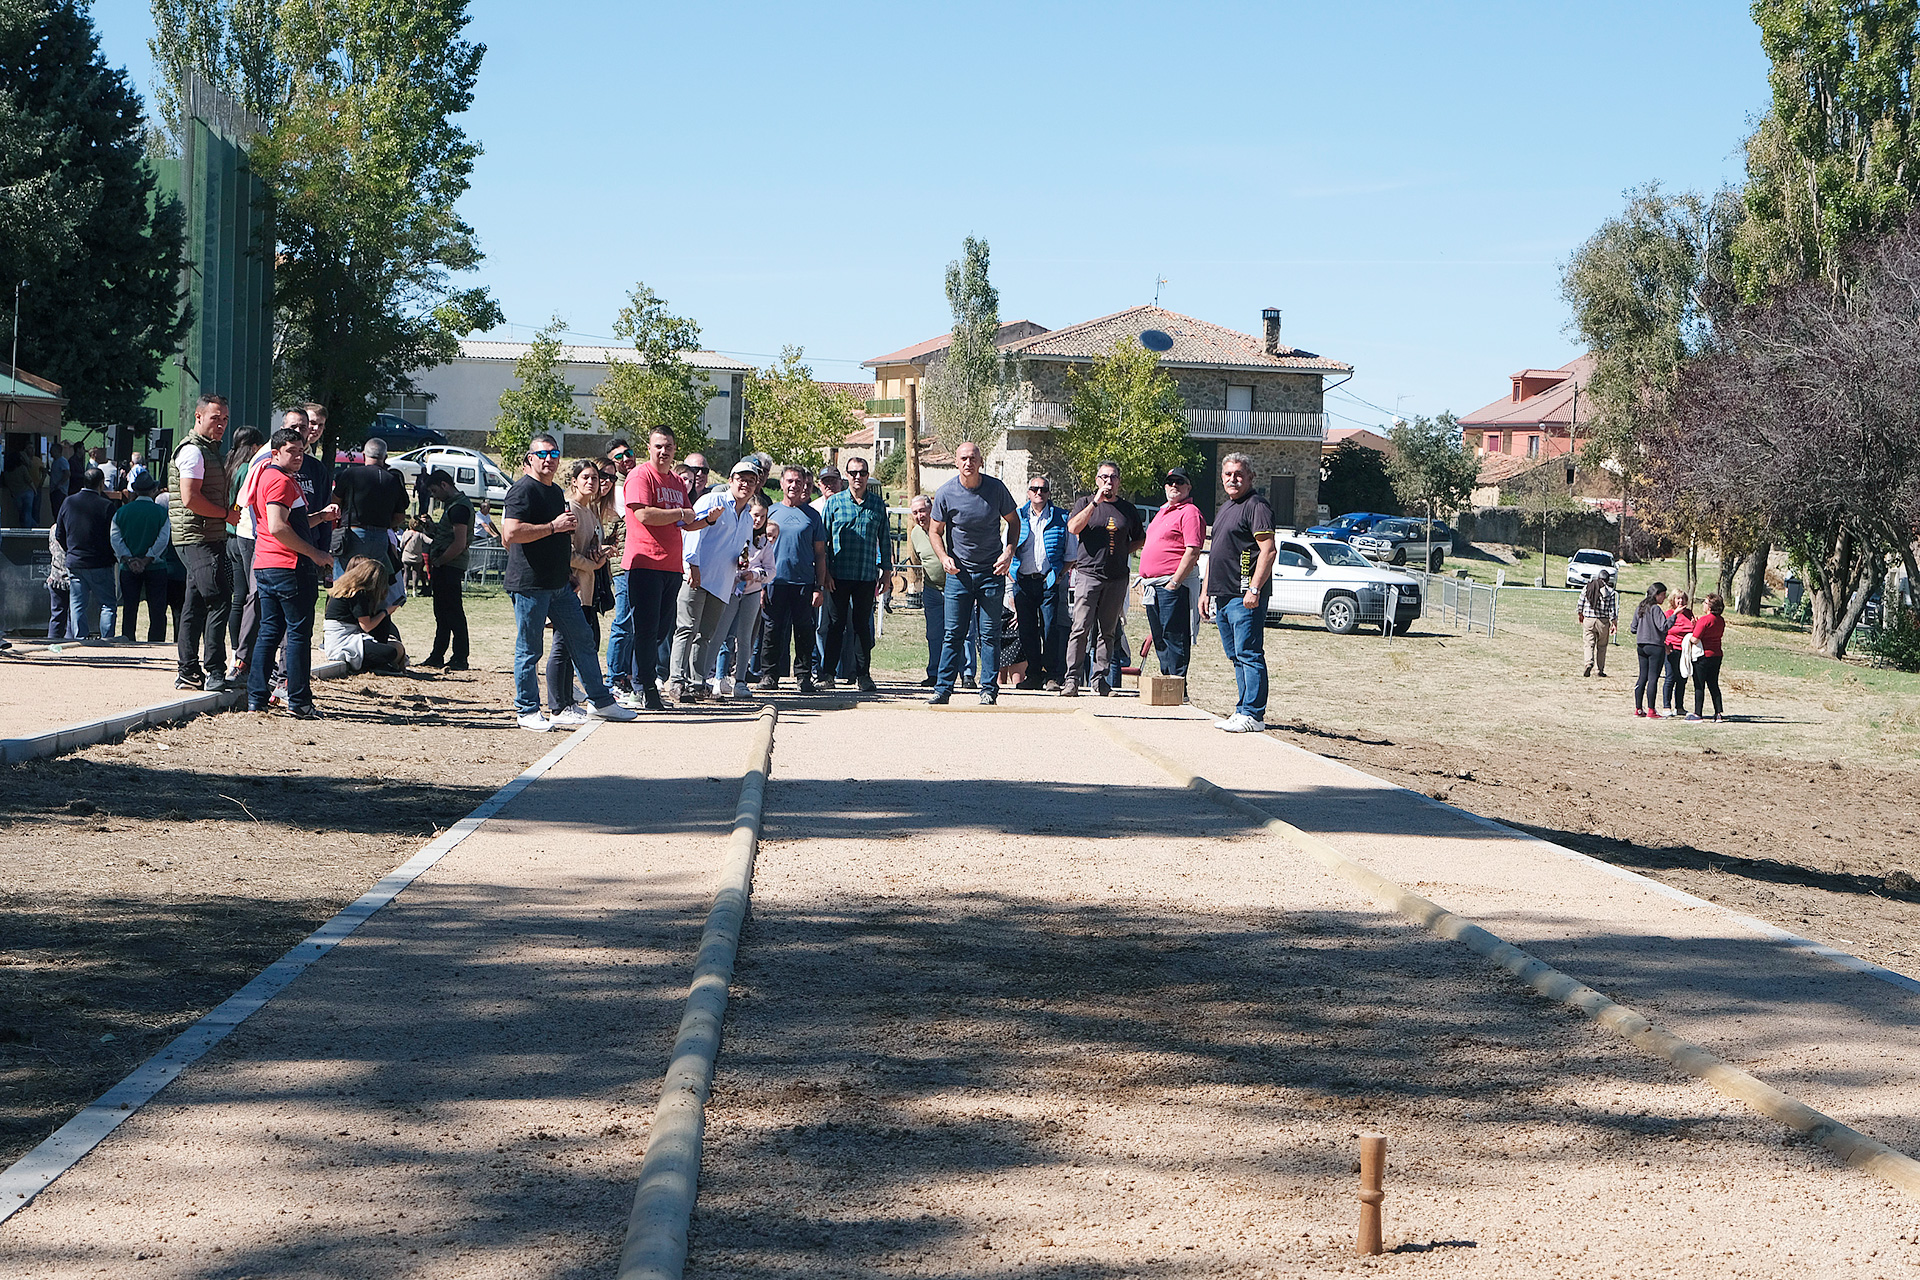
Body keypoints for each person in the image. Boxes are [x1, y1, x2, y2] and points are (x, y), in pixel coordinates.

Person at [504, 433, 636, 730]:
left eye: (554, 453)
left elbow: (562, 541)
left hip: (559, 583)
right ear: (530, 459)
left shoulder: (554, 493)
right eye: (542, 454)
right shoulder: (522, 490)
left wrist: (568, 573)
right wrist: (553, 526)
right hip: (529, 584)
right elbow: (510, 534)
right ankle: (527, 710)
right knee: (530, 649)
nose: (549, 459)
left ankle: (601, 702)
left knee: (583, 639)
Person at [246, 426, 333, 718]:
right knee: (297, 634)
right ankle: (299, 701)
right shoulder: (280, 480)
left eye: (301, 451)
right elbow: (278, 526)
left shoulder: (266, 475)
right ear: (275, 453)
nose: (298, 457)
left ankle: (256, 698)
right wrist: (315, 553)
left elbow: (290, 523)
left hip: (266, 564)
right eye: (291, 451)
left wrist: (321, 517)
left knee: (269, 631)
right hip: (288, 566)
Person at [623, 427, 710, 710]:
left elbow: (685, 521)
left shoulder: (675, 481)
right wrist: (681, 513)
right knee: (646, 630)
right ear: (649, 447)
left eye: (668, 446)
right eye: (659, 446)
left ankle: (645, 683)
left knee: (661, 631)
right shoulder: (640, 476)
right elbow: (644, 514)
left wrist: (707, 520)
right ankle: (644, 688)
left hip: (671, 566)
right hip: (645, 563)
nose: (664, 451)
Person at [928, 441, 1020, 706]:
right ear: (956, 462)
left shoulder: (996, 489)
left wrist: (1009, 552)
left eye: (973, 458)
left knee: (990, 635)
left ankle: (988, 690)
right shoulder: (946, 493)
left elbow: (1014, 522)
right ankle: (943, 689)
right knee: (953, 634)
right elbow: (935, 531)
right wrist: (943, 557)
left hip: (992, 573)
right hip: (959, 574)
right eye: (963, 458)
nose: (968, 463)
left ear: (981, 462)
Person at [670, 458, 758, 702]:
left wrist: (741, 561)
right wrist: (692, 565)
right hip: (696, 576)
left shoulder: (748, 517)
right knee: (686, 628)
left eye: (751, 481)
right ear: (730, 480)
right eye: (741, 479)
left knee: (706, 634)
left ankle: (697, 683)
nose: (745, 484)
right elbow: (692, 532)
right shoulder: (713, 500)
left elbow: (741, 548)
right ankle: (676, 680)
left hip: (722, 582)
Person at [170, 393, 241, 690]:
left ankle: (189, 671)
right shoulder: (193, 452)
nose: (221, 424)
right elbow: (190, 499)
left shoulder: (208, 450)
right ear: (198, 417)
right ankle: (214, 670)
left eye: (225, 419)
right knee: (219, 599)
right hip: (197, 537)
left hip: (203, 536)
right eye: (215, 418)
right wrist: (226, 515)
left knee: (196, 602)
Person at [1202, 452, 1276, 732]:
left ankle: (1254, 715)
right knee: (1236, 655)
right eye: (1228, 474)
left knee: (1249, 653)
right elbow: (1215, 552)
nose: (1233, 479)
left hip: (1244, 595)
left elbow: (1268, 551)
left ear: (1250, 477)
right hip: (1222, 594)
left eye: (1239, 474)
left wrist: (1254, 589)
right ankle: (1242, 709)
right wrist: (1206, 591)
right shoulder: (1226, 507)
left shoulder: (1256, 506)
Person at [1063, 460, 1145, 697]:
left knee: (1107, 632)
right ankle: (1072, 680)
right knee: (1080, 628)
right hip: (1088, 575)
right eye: (1104, 477)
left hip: (1116, 578)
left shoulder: (1127, 509)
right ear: (1097, 480)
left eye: (1113, 477)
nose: (1109, 482)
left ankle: (1100, 680)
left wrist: (1122, 551)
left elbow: (1140, 538)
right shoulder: (1084, 503)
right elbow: (1073, 528)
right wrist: (1094, 503)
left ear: (1119, 481)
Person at [546, 460, 615, 717]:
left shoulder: (591, 511)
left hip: (589, 590)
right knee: (562, 647)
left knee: (579, 646)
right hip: (570, 587)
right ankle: (559, 705)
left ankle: (569, 701)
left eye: (595, 478)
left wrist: (603, 551)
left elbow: (589, 547)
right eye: (585, 477)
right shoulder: (569, 509)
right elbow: (567, 552)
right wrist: (592, 564)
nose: (591, 482)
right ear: (574, 481)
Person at [820, 455, 891, 693]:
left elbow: (885, 540)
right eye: (852, 473)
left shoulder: (877, 505)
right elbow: (823, 542)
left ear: (868, 475)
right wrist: (825, 572)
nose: (857, 477)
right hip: (838, 575)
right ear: (846, 476)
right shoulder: (834, 503)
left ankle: (864, 675)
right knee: (835, 625)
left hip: (866, 575)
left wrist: (887, 572)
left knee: (862, 627)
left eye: (862, 473)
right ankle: (828, 674)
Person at [757, 465, 827, 694]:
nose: (794, 485)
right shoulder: (771, 512)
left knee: (804, 631)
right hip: (774, 582)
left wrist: (819, 587)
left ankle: (803, 676)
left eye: (798, 481)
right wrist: (761, 585)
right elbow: (759, 549)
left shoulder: (812, 516)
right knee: (772, 630)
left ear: (804, 484)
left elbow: (820, 554)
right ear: (781, 483)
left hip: (803, 583)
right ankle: (769, 675)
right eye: (789, 481)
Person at [1139, 466, 1205, 681]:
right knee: (1160, 639)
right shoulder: (1162, 512)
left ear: (1188, 487)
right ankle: (1167, 685)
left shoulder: (1190, 512)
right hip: (1154, 586)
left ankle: (1177, 688)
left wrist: (1175, 583)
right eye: (1170, 482)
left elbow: (1192, 550)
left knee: (1174, 638)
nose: (1174, 485)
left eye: (1180, 482)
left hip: (1172, 585)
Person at [709, 490, 775, 698]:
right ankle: (715, 677)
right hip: (729, 590)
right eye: (755, 515)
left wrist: (755, 574)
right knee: (721, 634)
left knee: (745, 637)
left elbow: (771, 571)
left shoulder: (763, 542)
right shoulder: (736, 534)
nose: (758, 520)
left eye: (762, 516)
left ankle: (740, 680)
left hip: (751, 592)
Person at [1008, 474, 1071, 690]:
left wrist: (1059, 576)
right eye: (1034, 489)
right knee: (1027, 631)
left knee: (1050, 628)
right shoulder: (1017, 516)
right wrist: (1012, 575)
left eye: (1043, 489)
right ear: (1028, 493)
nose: (1039, 493)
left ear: (1049, 493)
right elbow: (1005, 549)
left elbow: (1071, 554)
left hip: (1048, 582)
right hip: (1023, 582)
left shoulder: (1062, 517)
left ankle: (1052, 676)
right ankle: (1033, 675)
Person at [54, 467, 118, 641]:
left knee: (77, 605)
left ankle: (80, 640)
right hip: (100, 562)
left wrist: (71, 550)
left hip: (75, 561)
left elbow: (59, 534)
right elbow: (114, 536)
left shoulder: (68, 502)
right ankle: (106, 640)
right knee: (107, 604)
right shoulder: (106, 505)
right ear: (101, 483)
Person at [221, 425, 265, 668]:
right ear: (255, 446)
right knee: (250, 595)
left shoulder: (229, 464)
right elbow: (244, 502)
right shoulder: (248, 468)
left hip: (229, 536)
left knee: (238, 595)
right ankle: (244, 650)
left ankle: (235, 649)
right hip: (244, 534)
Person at [331, 436, 408, 576]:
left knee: (344, 581)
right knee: (372, 582)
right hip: (380, 536)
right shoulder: (393, 480)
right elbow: (400, 516)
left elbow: (334, 501)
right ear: (385, 457)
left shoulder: (350, 474)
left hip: (353, 534)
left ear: (363, 455)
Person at [421, 470, 472, 669]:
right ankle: (437, 655)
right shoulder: (454, 506)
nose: (434, 496)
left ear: (444, 484)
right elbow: (449, 536)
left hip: (450, 566)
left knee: (453, 612)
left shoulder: (459, 508)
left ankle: (460, 656)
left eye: (434, 491)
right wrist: (432, 529)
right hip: (446, 565)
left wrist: (440, 561)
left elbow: (459, 543)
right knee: (442, 613)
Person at [112, 472, 171, 642]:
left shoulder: (122, 512)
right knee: (157, 610)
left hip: (128, 567)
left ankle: (128, 639)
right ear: (153, 490)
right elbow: (163, 540)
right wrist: (147, 559)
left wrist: (130, 559)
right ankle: (156, 642)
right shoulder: (161, 513)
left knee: (129, 608)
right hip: (156, 567)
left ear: (135, 491)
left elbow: (115, 538)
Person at [322, 555, 408, 672]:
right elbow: (366, 626)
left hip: (343, 636)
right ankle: (377, 664)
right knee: (390, 652)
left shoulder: (347, 588)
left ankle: (380, 662)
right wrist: (386, 611)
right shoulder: (357, 594)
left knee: (383, 624)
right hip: (344, 641)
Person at [602, 438, 638, 696]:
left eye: (629, 453)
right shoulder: (617, 490)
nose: (626, 459)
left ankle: (625, 675)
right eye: (619, 456)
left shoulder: (635, 482)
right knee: (623, 621)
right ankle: (613, 679)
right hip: (623, 563)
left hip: (638, 562)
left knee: (634, 623)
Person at [905, 496, 946, 687]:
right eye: (915, 512)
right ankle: (934, 673)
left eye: (922, 511)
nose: (919, 516)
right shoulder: (915, 534)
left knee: (963, 634)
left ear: (931, 509)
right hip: (931, 589)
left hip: (955, 588)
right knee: (934, 634)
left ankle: (967, 675)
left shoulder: (945, 527)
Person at [1629, 582, 1671, 718]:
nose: (1664, 598)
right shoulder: (1655, 609)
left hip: (1641, 646)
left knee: (1642, 676)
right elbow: (1663, 627)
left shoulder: (1640, 607)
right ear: (1656, 595)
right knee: (1653, 678)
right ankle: (1651, 710)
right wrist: (1674, 616)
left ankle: (1638, 708)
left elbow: (1633, 628)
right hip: (1655, 646)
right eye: (1663, 595)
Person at [1690, 592, 1727, 722]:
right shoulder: (1721, 620)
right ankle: (1718, 712)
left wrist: (1691, 634)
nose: (1703, 604)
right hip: (1716, 654)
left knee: (1699, 685)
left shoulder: (1705, 620)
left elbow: (1695, 639)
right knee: (1713, 684)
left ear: (1710, 607)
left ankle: (1697, 713)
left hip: (1703, 656)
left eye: (1705, 603)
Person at [1577, 569, 1618, 677]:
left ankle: (1588, 663)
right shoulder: (1610, 591)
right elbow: (1612, 610)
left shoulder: (1588, 587)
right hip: (1603, 621)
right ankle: (1600, 670)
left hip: (1589, 619)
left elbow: (1580, 603)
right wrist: (1614, 623)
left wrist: (1580, 614)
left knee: (1588, 644)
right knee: (1602, 646)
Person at [1662, 589, 1695, 717]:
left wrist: (1695, 625)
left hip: (1685, 651)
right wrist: (1665, 646)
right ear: (1673, 600)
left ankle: (1679, 707)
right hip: (1671, 649)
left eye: (1683, 598)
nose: (1680, 601)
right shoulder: (1668, 614)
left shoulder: (1689, 613)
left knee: (1682, 679)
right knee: (1670, 677)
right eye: (1678, 598)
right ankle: (1666, 707)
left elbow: (1694, 630)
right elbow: (1662, 630)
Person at [45, 521, 71, 640]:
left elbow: (52, 548)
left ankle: (52, 642)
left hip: (55, 576)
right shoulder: (74, 526)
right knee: (73, 616)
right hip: (72, 577)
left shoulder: (54, 528)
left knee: (56, 614)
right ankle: (72, 643)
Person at [48, 440, 70, 522]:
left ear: (57, 451)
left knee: (58, 511)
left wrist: (59, 485)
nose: (50, 452)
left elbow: (67, 473)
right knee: (54, 511)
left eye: (52, 450)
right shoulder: (55, 462)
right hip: (54, 490)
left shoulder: (62, 461)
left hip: (59, 491)